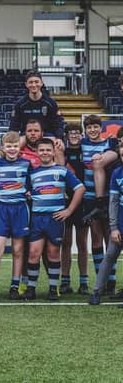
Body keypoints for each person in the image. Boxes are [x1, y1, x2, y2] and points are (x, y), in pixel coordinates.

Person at [23, 138, 85, 301]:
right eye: (41, 150)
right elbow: (28, 192)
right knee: (34, 253)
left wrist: (69, 210)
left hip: (55, 218)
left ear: (53, 152)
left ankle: (53, 288)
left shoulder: (62, 170)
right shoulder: (32, 173)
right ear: (37, 152)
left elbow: (80, 188)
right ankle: (31, 288)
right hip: (37, 218)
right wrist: (29, 194)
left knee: (53, 253)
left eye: (48, 150)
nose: (44, 153)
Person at [0, 131, 31, 301]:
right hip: (1, 209)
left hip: (20, 209)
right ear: (3, 147)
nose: (12, 149)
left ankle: (14, 287)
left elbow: (31, 185)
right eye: (9, 146)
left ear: (19, 148)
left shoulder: (26, 164)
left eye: (15, 146)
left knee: (18, 250)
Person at [80, 114, 119, 294]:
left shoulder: (109, 144)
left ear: (100, 128)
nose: (92, 130)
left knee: (109, 237)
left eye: (95, 127)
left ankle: (110, 281)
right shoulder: (81, 144)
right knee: (96, 238)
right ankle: (100, 281)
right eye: (89, 127)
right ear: (85, 130)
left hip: (106, 198)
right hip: (89, 198)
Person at [89, 144, 123, 305]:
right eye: (122, 155)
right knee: (109, 257)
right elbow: (114, 202)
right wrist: (114, 227)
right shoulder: (117, 173)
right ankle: (96, 291)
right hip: (120, 226)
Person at [60, 122, 90, 295]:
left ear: (81, 134)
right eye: (71, 132)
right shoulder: (61, 152)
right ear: (66, 135)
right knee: (65, 243)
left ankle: (84, 281)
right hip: (64, 201)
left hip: (83, 201)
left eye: (77, 132)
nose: (74, 135)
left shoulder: (86, 151)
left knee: (82, 243)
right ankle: (65, 281)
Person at [9, 70, 65, 149]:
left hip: (46, 135)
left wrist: (59, 138)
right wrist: (10, 142)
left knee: (59, 147)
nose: (34, 85)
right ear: (26, 84)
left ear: (41, 83)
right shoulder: (20, 104)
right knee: (12, 148)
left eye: (36, 82)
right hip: (26, 136)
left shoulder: (50, 103)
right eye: (31, 82)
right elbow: (14, 125)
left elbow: (58, 123)